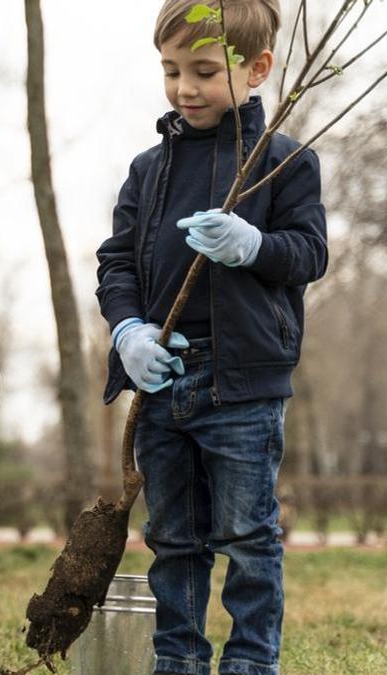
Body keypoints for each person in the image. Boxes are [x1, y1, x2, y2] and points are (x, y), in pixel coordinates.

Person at [95, 2, 327, 674]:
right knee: (174, 538)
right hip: (163, 381)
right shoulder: (147, 170)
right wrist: (129, 331)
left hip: (241, 384)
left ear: (257, 69)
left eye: (202, 70)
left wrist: (255, 244)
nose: (183, 87)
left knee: (249, 537)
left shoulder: (283, 162)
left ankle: (252, 662)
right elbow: (116, 263)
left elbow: (309, 253)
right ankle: (180, 661)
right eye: (170, 70)